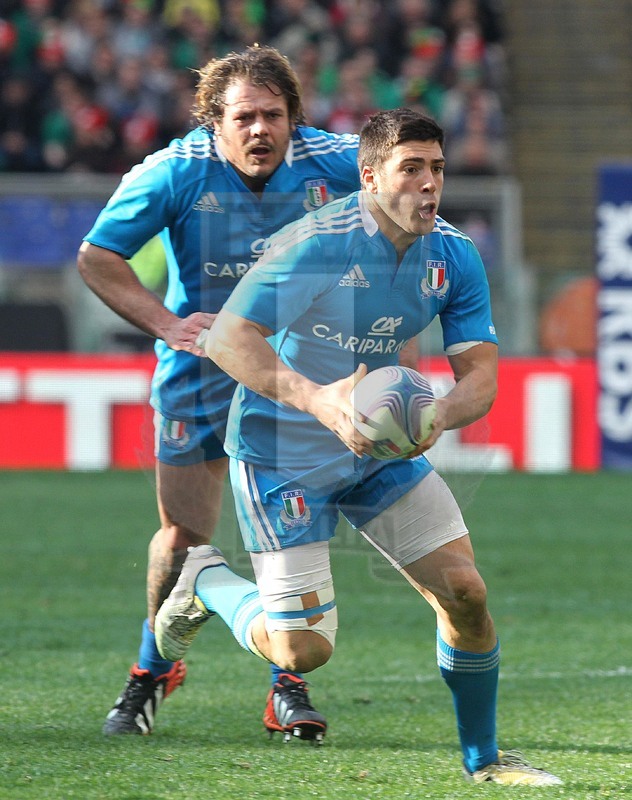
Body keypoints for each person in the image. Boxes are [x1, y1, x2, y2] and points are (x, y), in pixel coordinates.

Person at [155, 109, 562, 785]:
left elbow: (482, 377)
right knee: (303, 650)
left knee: (464, 591)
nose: (430, 184)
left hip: (380, 452)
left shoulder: (454, 256)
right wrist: (320, 401)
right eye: (411, 169)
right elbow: (228, 338)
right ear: (370, 177)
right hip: (282, 455)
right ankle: (206, 579)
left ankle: (483, 763)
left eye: (437, 168)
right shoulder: (318, 242)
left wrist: (437, 415)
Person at [77, 44, 364, 739]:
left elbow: (409, 218)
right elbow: (97, 257)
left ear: (296, 118)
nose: (260, 130)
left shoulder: (344, 162)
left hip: (290, 374)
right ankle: (153, 670)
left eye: (274, 116)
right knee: (183, 537)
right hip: (198, 373)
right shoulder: (176, 172)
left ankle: (286, 683)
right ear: (214, 122)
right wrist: (168, 323)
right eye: (244, 117)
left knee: (286, 530)